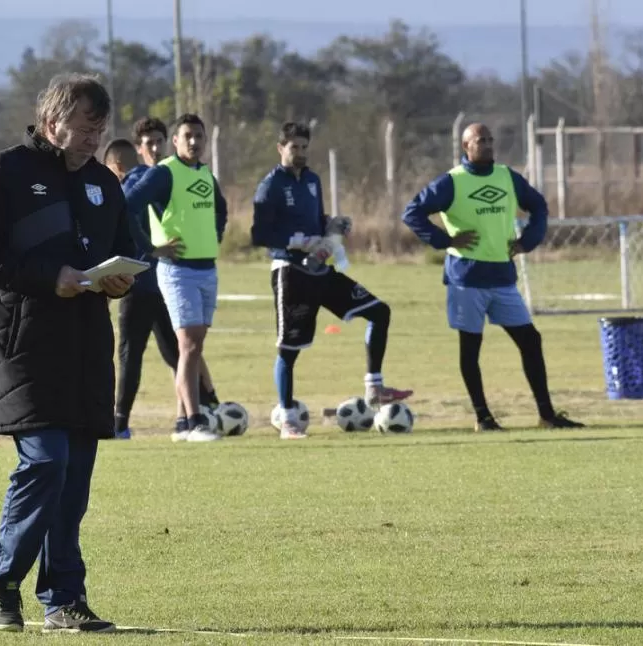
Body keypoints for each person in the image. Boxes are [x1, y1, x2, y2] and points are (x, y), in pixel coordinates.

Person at [0, 73, 135, 634]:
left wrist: (121, 280)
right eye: (86, 128)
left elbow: (127, 251)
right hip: (21, 344)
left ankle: (63, 600)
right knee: (46, 461)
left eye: (101, 129)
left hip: (85, 347)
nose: (93, 138)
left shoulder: (106, 184)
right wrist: (46, 277)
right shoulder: (4, 173)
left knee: (75, 474)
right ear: (54, 121)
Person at [401, 122, 585, 431]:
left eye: (489, 139)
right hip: (466, 278)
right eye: (479, 140)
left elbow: (538, 205)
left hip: (502, 277)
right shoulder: (452, 182)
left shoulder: (507, 177)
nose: (486, 144)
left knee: (531, 340)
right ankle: (483, 417)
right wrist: (445, 241)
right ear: (466, 147)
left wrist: (528, 240)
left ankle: (547, 415)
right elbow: (412, 212)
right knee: (471, 348)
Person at [250, 121, 412, 439]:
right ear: (280, 148)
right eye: (293, 147)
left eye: (304, 147)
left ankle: (374, 387)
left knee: (379, 312)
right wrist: (298, 241)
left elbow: (316, 219)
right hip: (291, 273)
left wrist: (333, 226)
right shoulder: (270, 185)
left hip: (321, 271)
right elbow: (260, 234)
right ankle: (287, 419)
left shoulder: (312, 180)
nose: (300, 153)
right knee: (289, 349)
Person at [101, 122, 221, 441]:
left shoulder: (176, 175)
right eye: (148, 143)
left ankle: (191, 415)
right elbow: (123, 218)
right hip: (140, 285)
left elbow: (215, 211)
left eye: (159, 141)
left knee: (181, 351)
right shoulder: (147, 179)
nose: (155, 148)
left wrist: (211, 238)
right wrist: (150, 250)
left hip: (166, 283)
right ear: (138, 151)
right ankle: (121, 422)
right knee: (135, 355)